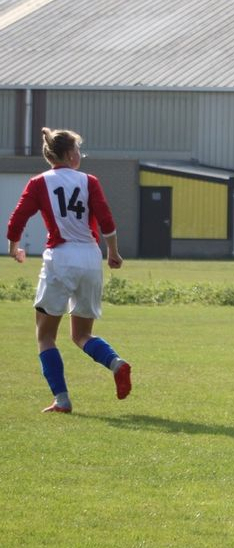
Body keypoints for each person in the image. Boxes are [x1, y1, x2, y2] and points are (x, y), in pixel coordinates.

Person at [6, 127, 132, 413]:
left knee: (45, 335)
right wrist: (113, 252)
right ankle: (116, 363)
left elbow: (17, 220)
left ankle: (62, 400)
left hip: (60, 258)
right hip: (90, 258)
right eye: (78, 149)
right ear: (69, 154)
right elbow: (107, 220)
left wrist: (15, 248)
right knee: (81, 335)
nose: (80, 154)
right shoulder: (89, 181)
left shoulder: (39, 182)